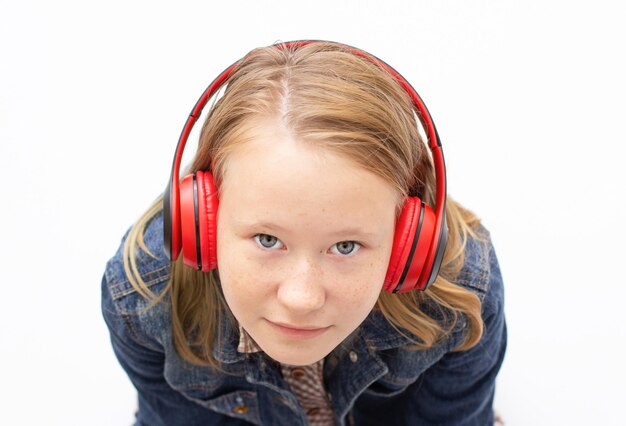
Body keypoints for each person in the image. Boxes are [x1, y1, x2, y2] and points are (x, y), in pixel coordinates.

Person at [101, 40, 507, 426]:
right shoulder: (143, 297)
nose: (302, 299)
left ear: (410, 244)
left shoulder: (461, 289)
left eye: (345, 246)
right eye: (267, 240)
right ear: (201, 223)